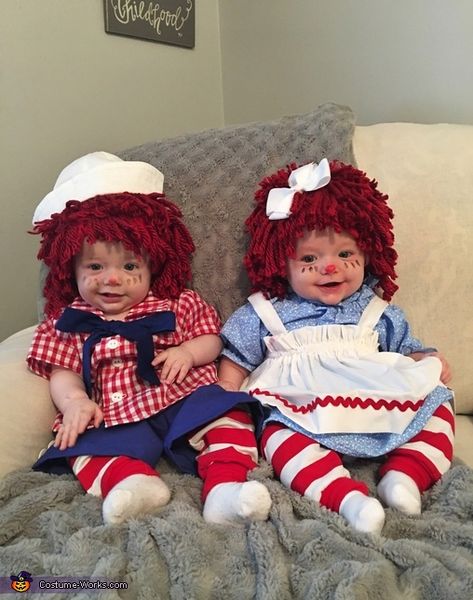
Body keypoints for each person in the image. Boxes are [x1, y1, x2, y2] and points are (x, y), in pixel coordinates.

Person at [27, 151, 271, 525]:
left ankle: (226, 489)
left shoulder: (176, 303)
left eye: (129, 266)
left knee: (226, 411)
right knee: (78, 445)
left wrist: (188, 352)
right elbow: (63, 370)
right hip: (114, 411)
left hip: (181, 396)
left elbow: (213, 339)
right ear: (70, 269)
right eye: (95, 266)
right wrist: (75, 401)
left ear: (152, 265)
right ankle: (131, 486)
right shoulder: (70, 320)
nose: (112, 279)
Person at [218, 159, 454, 535]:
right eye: (309, 259)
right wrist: (226, 394)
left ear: (368, 251)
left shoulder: (374, 309)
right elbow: (236, 359)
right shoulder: (267, 311)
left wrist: (426, 359)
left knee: (438, 403)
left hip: (375, 397)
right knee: (278, 439)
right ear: (282, 262)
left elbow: (407, 348)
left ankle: (405, 475)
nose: (330, 268)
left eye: (345, 255)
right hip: (299, 408)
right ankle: (347, 499)